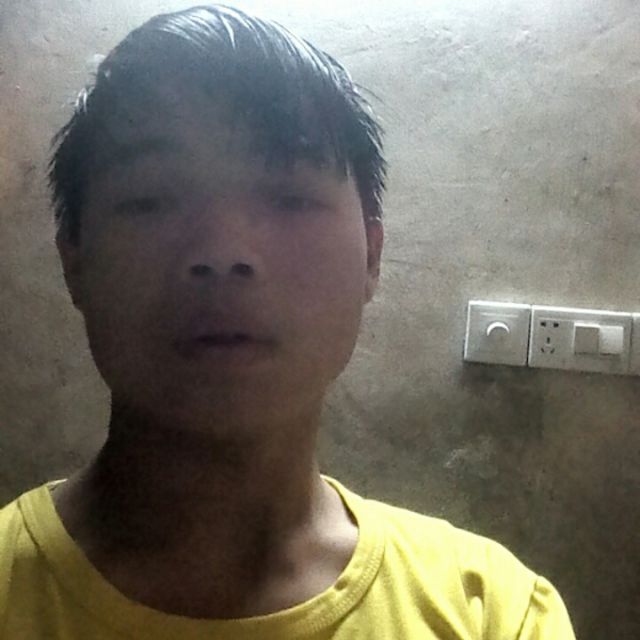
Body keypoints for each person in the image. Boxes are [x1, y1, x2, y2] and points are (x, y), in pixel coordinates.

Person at [0, 5, 577, 638]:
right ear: (74, 261)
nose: (223, 252)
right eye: (152, 199)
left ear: (372, 257)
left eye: (289, 198)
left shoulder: (493, 612)